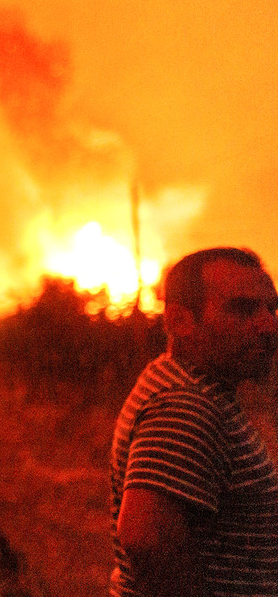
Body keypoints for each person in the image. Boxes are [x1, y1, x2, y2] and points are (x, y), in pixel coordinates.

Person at [110, 247, 278, 596]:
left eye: (271, 308)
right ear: (179, 321)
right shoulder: (185, 405)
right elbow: (146, 540)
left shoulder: (186, 383)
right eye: (243, 308)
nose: (268, 326)